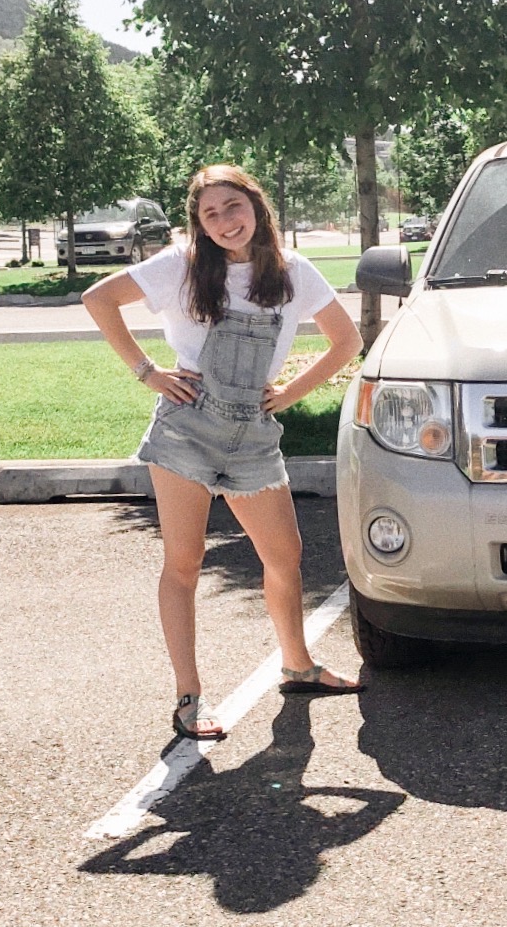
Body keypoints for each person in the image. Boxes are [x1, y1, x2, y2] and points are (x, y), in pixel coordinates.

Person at [82, 164, 365, 740]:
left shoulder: (295, 274)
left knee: (285, 555)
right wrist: (147, 372)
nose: (224, 221)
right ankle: (188, 696)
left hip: (254, 436)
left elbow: (348, 341)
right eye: (210, 213)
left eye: (232, 206)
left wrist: (288, 393)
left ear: (256, 207)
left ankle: (297, 665)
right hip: (186, 430)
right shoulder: (178, 266)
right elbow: (99, 299)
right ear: (199, 224)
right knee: (184, 564)